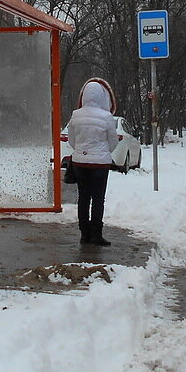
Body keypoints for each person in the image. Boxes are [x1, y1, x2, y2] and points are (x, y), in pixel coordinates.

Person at [68, 77, 120, 247]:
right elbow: (113, 142)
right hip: (100, 164)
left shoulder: (76, 115)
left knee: (83, 198)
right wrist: (102, 151)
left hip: (79, 163)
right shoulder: (106, 117)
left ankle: (84, 234)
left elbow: (71, 141)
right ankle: (97, 235)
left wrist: (82, 150)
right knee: (98, 199)